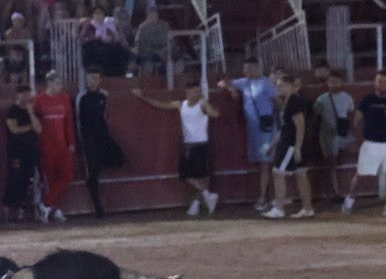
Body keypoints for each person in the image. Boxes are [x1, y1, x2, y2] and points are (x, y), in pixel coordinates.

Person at [133, 81, 221, 217]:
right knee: (186, 174)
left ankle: (196, 204)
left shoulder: (202, 105)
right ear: (188, 91)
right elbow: (160, 105)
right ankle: (206, 195)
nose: (196, 93)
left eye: (198, 91)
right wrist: (143, 97)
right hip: (188, 144)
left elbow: (215, 114)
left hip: (201, 144)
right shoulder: (181, 104)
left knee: (201, 177)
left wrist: (205, 101)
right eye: (194, 91)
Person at [219, 57, 279, 215]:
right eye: (245, 68)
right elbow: (223, 83)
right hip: (254, 128)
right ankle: (269, 196)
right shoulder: (244, 82)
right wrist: (232, 90)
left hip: (265, 127)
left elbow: (278, 102)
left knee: (265, 162)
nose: (246, 71)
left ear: (257, 67)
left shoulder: (266, 83)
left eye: (249, 68)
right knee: (263, 163)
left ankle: (264, 197)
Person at [353, 68, 386, 216]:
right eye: (379, 82)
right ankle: (350, 199)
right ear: (375, 83)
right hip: (371, 143)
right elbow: (357, 120)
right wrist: (360, 137)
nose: (382, 84)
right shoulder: (367, 99)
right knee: (361, 174)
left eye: (385, 82)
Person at [265, 71, 314, 219]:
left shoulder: (294, 102)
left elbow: (300, 126)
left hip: (291, 145)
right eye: (278, 86)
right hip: (291, 143)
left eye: (283, 86)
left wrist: (298, 148)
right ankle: (307, 208)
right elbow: (284, 127)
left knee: (278, 173)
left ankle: (279, 208)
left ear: (293, 86)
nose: (280, 88)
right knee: (300, 175)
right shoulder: (288, 102)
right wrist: (272, 145)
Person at [76, 67, 124, 217]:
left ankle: (100, 163)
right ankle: (98, 207)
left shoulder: (104, 96)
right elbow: (78, 120)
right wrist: (80, 142)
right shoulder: (81, 97)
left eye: (96, 78)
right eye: (91, 78)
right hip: (89, 139)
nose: (93, 81)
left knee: (120, 158)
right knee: (92, 175)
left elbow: (105, 116)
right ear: (86, 80)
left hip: (102, 137)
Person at [31, 71, 76, 221]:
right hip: (46, 146)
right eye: (57, 83)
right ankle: (52, 208)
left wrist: (71, 142)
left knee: (67, 175)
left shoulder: (65, 98)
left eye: (60, 83)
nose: (60, 86)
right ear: (49, 83)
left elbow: (69, 122)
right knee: (50, 179)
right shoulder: (38, 100)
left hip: (62, 145)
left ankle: (46, 204)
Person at [313, 69, 356, 207]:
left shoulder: (346, 98)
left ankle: (337, 191)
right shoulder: (322, 99)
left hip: (340, 133)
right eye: (331, 82)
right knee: (331, 163)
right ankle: (335, 192)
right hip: (328, 134)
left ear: (342, 82)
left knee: (336, 163)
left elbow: (351, 116)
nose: (333, 85)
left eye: (336, 82)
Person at [3, 85, 42, 220]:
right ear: (18, 95)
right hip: (16, 151)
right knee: (14, 179)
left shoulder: (31, 111)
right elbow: (14, 129)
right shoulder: (12, 111)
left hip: (30, 151)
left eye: (28, 94)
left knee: (27, 180)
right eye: (23, 94)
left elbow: (38, 129)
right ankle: (7, 210)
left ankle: (21, 209)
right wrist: (29, 127)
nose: (26, 97)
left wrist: (31, 113)